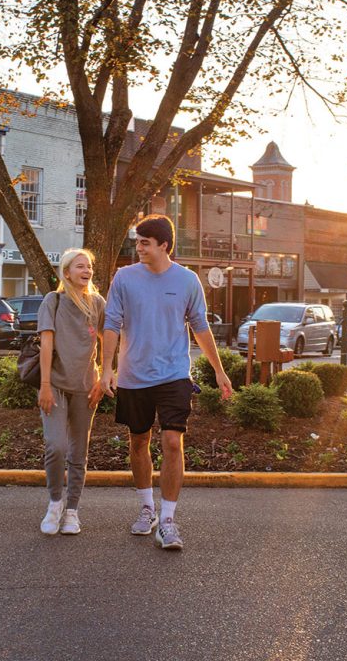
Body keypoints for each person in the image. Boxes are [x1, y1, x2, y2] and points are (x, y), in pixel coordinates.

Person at [101, 214, 232, 551]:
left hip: (174, 374)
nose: (139, 248)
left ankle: (168, 520)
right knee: (138, 441)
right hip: (134, 374)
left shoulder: (187, 280)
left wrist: (218, 370)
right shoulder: (124, 278)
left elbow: (200, 327)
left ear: (164, 245)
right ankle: (148, 509)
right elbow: (111, 324)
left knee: (173, 442)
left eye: (145, 243)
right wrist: (106, 370)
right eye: (138, 242)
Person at [37, 248, 106, 536]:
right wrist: (44, 386)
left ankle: (72, 511)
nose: (86, 270)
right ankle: (55, 503)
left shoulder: (97, 303)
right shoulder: (53, 301)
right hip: (54, 385)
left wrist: (105, 376)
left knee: (79, 452)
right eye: (80, 266)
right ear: (66, 272)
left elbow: (111, 338)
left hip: (85, 388)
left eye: (89, 266)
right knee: (56, 446)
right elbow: (46, 344)